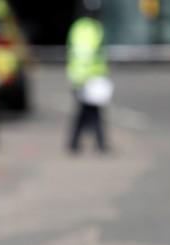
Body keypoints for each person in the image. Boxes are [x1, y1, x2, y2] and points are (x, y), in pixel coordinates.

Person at [66, 0, 109, 152]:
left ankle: (75, 142)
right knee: (92, 112)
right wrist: (84, 78)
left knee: (86, 111)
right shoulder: (93, 29)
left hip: (80, 77)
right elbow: (86, 55)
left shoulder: (77, 27)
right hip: (90, 78)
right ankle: (99, 143)